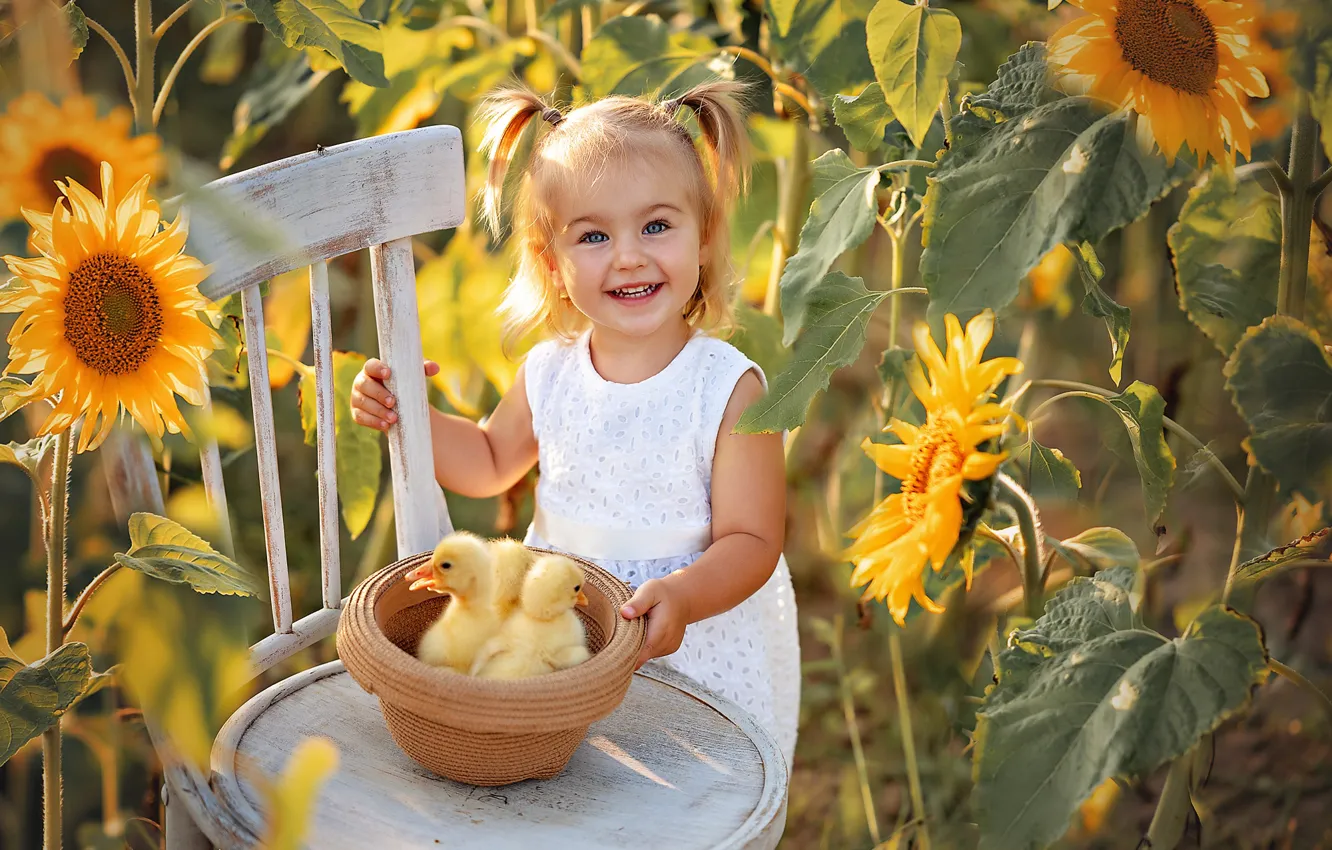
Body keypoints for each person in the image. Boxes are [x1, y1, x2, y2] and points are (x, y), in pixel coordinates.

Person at [350, 80, 799, 765]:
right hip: (560, 626)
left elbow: (754, 539)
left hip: (686, 638)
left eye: (656, 226)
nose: (627, 256)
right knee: (561, 781)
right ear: (553, 265)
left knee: (673, 800)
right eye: (593, 235)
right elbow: (488, 460)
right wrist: (407, 413)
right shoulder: (551, 372)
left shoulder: (726, 388)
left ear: (704, 237)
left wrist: (682, 594)